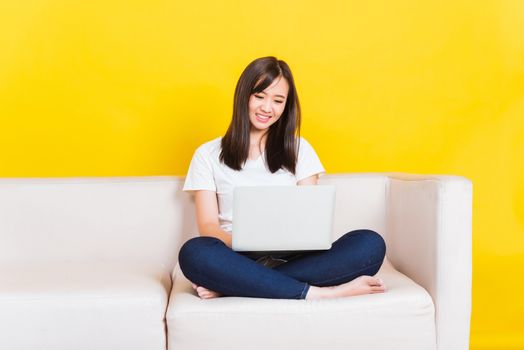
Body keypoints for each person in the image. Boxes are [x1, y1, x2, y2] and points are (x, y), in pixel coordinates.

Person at [178, 56, 386, 300]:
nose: (267, 108)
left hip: (294, 256)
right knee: (194, 252)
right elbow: (209, 228)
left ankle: (239, 283)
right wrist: (249, 242)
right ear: (243, 95)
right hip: (235, 256)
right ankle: (317, 293)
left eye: (278, 101)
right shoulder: (207, 154)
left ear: (286, 106)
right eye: (259, 96)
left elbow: (311, 221)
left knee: (369, 244)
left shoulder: (300, 149)